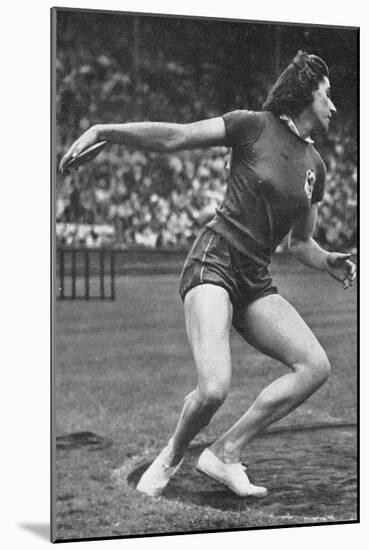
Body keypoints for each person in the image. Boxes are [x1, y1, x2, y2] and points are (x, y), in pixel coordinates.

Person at [60, 51, 356, 498]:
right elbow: (176, 138)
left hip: (255, 279)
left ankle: (225, 453)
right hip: (215, 259)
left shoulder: (319, 166)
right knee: (214, 387)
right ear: (305, 93)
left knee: (315, 366)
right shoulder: (252, 125)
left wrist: (327, 258)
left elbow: (300, 244)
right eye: (327, 95)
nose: (334, 106)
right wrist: (106, 131)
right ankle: (172, 456)